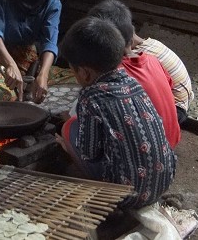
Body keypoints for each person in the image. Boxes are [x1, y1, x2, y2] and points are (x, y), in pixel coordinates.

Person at [58, 16, 176, 209]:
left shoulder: (90, 97)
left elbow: (89, 153)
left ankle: (105, 198)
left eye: (73, 71)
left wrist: (67, 146)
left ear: (85, 73)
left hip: (125, 196)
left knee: (69, 129)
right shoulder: (133, 83)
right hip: (163, 182)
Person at [88, 0, 180, 148]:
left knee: (70, 129)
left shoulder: (112, 75)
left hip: (148, 149)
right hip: (171, 140)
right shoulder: (152, 60)